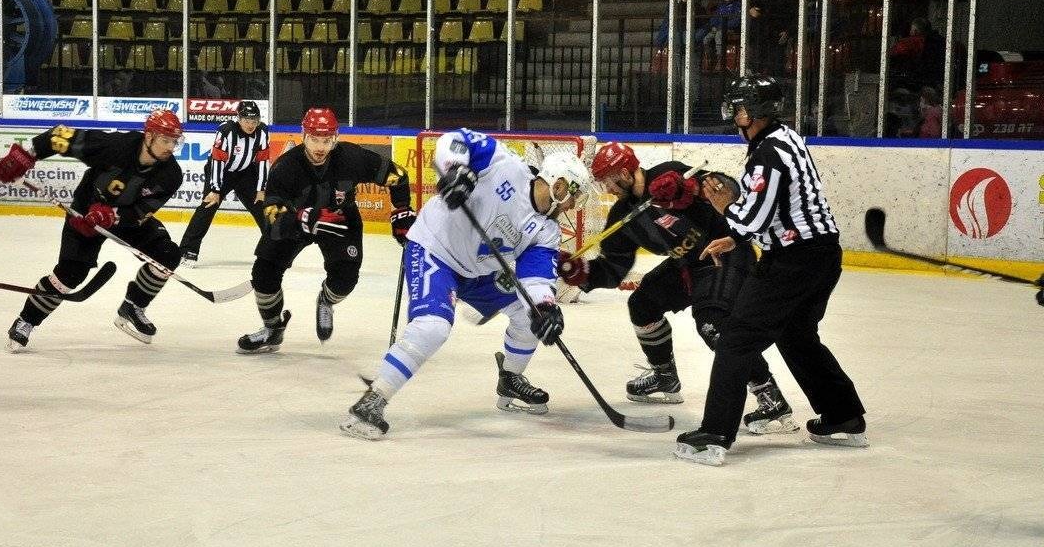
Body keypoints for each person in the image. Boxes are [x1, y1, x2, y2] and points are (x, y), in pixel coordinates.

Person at [342, 129, 593, 440]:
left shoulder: (546, 230)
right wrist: (456, 169)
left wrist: (545, 306)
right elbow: (456, 140)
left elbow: (536, 277)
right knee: (433, 327)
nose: (572, 206)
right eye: (574, 196)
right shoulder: (506, 165)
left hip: (479, 271)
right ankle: (372, 401)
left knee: (530, 314)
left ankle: (511, 378)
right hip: (436, 250)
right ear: (559, 185)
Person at [674, 74, 868, 465]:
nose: (734, 114)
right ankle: (842, 415)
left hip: (793, 262)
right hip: (822, 256)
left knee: (736, 338)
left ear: (754, 112)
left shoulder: (767, 155)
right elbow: (775, 212)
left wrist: (725, 208)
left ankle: (715, 434)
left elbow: (754, 219)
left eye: (738, 107)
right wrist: (735, 238)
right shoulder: (786, 138)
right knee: (797, 335)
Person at [559, 142, 796, 433]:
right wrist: (582, 273)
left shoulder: (669, 174)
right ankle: (665, 377)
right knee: (642, 304)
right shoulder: (622, 215)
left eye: (609, 180)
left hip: (724, 253)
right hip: (687, 265)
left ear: (625, 173)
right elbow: (614, 269)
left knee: (713, 324)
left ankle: (771, 397)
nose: (607, 189)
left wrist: (690, 188)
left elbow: (729, 190)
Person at [0, 109, 185, 349]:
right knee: (70, 275)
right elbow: (60, 135)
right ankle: (26, 321)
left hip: (122, 220)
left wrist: (111, 216)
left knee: (167, 256)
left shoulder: (171, 175)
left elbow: (141, 212)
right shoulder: (115, 146)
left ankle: (133, 306)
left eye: (174, 141)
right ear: (149, 136)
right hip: (84, 215)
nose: (170, 147)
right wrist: (27, 156)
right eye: (165, 140)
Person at [236, 107, 415, 352]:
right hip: (297, 222)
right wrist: (301, 218)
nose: (320, 147)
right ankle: (272, 329)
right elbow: (272, 217)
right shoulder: (285, 167)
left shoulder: (352, 158)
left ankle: (326, 301)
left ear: (336, 138)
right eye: (314, 139)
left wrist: (401, 211)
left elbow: (399, 176)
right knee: (264, 272)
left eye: (327, 140)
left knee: (345, 280)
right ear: (303, 136)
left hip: (340, 220)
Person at [179, 101, 270, 266]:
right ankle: (187, 250)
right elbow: (217, 160)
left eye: (254, 120)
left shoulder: (262, 131)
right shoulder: (226, 131)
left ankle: (273, 251)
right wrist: (215, 189)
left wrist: (261, 189)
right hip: (222, 172)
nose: (251, 124)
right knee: (208, 206)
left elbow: (263, 160)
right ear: (239, 119)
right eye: (247, 120)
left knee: (262, 207)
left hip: (246, 173)